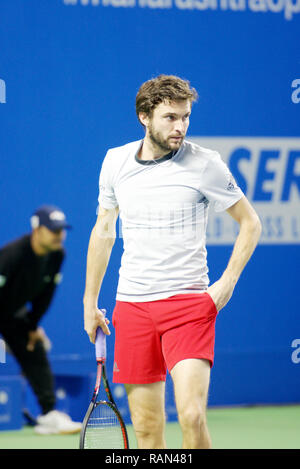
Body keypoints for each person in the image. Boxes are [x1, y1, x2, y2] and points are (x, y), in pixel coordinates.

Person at [83, 75, 262, 449]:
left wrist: (225, 284)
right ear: (144, 117)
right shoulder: (115, 162)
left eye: (185, 117)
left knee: (192, 416)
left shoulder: (205, 163)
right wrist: (89, 301)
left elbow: (250, 222)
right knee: (148, 430)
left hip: (189, 306)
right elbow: (103, 231)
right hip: (132, 307)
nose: (180, 126)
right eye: (170, 117)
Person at [0, 205, 82, 435]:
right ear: (37, 230)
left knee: (34, 345)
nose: (59, 235)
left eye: (61, 229)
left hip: (12, 314)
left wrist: (33, 326)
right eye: (53, 230)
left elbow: (45, 294)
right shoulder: (12, 255)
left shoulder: (57, 255)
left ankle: (48, 414)